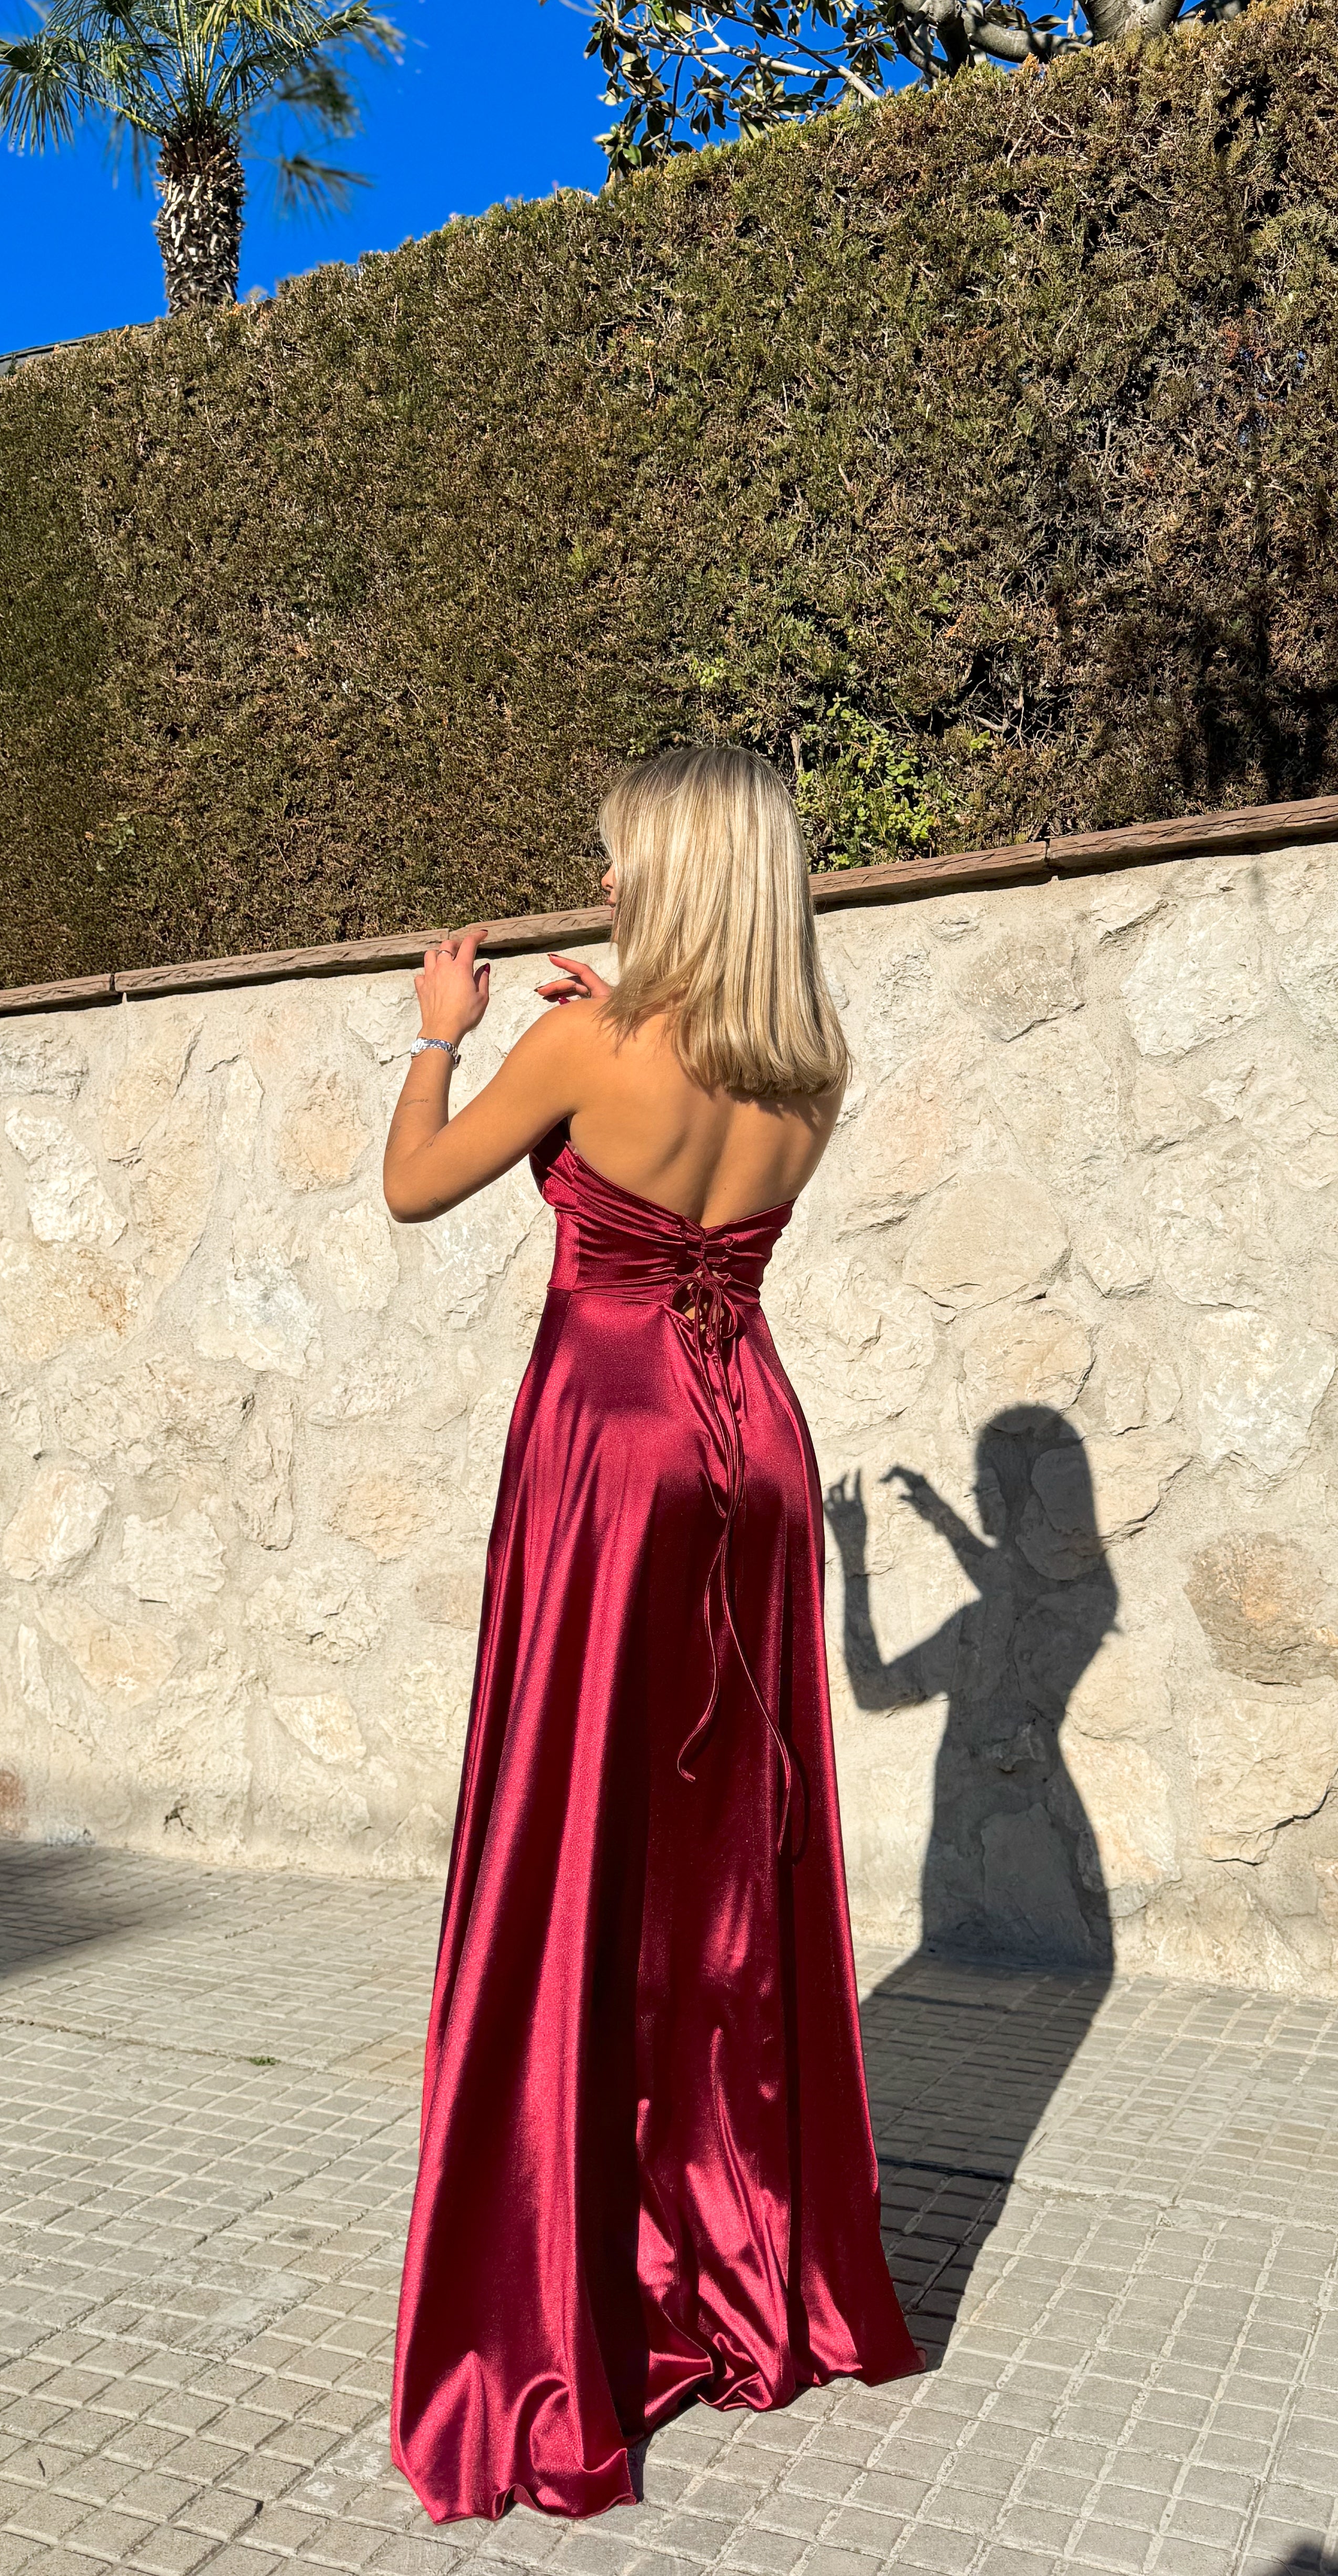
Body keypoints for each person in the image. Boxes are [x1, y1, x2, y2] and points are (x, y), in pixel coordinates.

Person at [382, 745, 922, 2524]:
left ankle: (541, 2320)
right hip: (755, 1445)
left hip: (614, 1451)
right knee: (725, 1871)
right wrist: (611, 1023)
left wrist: (444, 1034)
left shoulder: (582, 1048)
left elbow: (413, 1186)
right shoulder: (811, 1067)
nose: (603, 885)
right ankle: (752, 2274)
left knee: (564, 1848)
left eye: (621, 863)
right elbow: (700, 1150)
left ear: (676, 875)